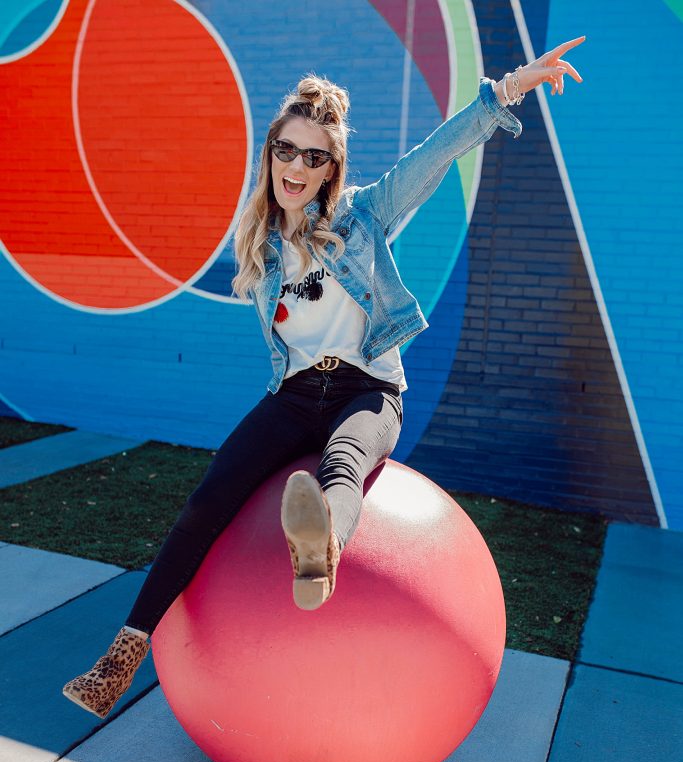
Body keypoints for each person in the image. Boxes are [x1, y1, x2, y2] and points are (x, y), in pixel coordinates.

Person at [62, 37, 585, 720]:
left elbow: (434, 155)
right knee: (208, 497)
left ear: (330, 168)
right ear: (270, 155)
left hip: (366, 390)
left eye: (315, 156)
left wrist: (508, 89)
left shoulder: (364, 214)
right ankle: (120, 657)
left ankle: (320, 551)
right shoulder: (259, 244)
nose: (298, 166)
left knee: (342, 465)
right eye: (287, 150)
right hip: (294, 395)